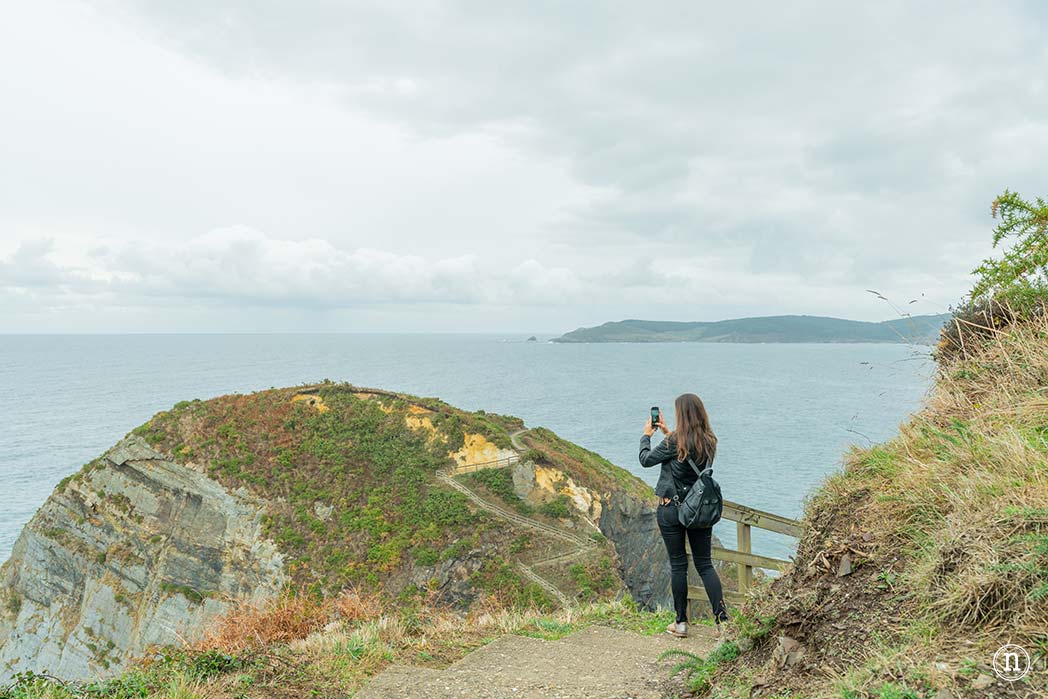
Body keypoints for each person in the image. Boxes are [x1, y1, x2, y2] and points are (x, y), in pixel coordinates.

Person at [639, 392, 728, 639]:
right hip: (698, 509)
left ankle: (681, 624)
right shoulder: (710, 440)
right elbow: (687, 458)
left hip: (671, 510)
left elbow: (645, 460)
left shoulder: (674, 442)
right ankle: (723, 623)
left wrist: (647, 435)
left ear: (681, 414)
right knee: (705, 564)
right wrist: (668, 433)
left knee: (678, 565)